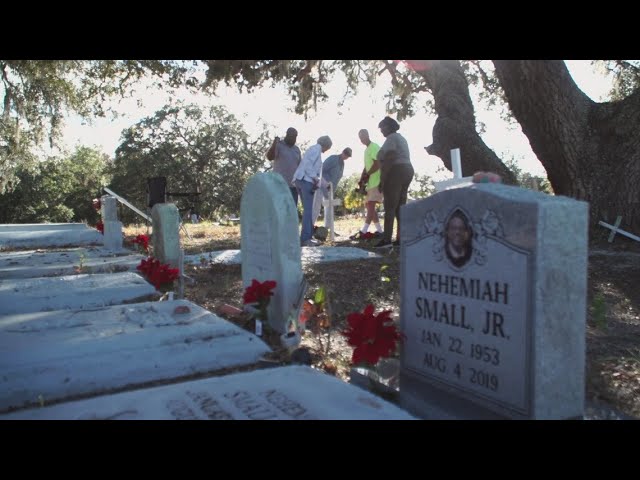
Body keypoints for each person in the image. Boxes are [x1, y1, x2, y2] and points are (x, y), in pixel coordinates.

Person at [373, 116, 414, 248]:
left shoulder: (391, 139)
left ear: (389, 126)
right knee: (400, 206)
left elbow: (390, 158)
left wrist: (382, 179)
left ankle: (386, 239)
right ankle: (401, 238)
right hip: (408, 169)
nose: (381, 131)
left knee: (390, 206)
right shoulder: (401, 138)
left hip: (396, 171)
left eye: (382, 127)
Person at [293, 135, 333, 247]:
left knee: (308, 210)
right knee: (309, 211)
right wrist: (315, 179)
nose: (326, 150)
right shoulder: (316, 149)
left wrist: (323, 183)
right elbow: (308, 165)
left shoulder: (314, 149)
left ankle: (307, 237)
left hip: (300, 180)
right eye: (328, 148)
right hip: (305, 181)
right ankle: (306, 238)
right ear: (326, 145)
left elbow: (314, 170)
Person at [350, 129, 383, 240]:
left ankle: (363, 231)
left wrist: (368, 175)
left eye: (363, 137)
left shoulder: (374, 147)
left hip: (377, 180)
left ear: (367, 135)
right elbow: (367, 166)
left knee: (371, 205)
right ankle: (380, 231)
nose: (361, 139)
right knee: (369, 206)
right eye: (360, 138)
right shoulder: (366, 150)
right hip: (370, 182)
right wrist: (362, 178)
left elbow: (378, 164)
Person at [311, 147, 352, 227]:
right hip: (322, 185)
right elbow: (321, 169)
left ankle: (328, 228)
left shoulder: (342, 164)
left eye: (348, 156)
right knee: (316, 206)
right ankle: (310, 227)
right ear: (343, 152)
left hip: (330, 189)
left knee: (329, 208)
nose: (346, 157)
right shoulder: (333, 159)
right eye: (346, 154)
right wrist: (322, 182)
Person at [266, 127, 302, 206]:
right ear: (287, 135)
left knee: (291, 212)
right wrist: (274, 143)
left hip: (293, 187)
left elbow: (300, 168)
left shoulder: (297, 149)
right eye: (292, 136)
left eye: (296, 136)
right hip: (279, 185)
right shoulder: (279, 145)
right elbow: (270, 157)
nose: (294, 139)